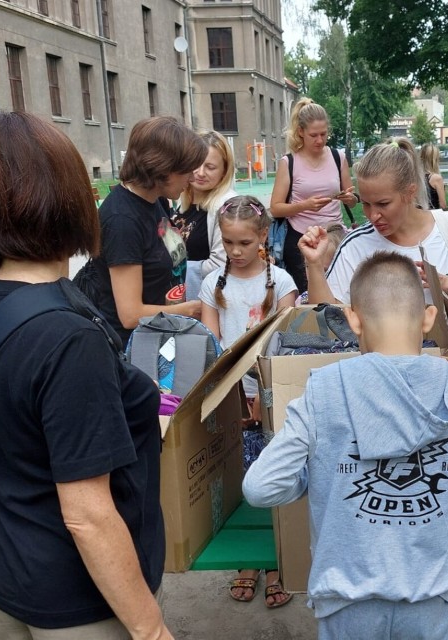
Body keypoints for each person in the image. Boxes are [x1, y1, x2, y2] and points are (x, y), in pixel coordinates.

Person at [0, 111, 172, 638]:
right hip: (77, 599)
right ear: (65, 196)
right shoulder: (68, 339)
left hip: (6, 570)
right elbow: (87, 514)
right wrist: (151, 628)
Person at [242, 251, 448, 639]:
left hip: (345, 598)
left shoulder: (323, 388)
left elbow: (260, 488)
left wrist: (318, 475)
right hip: (432, 597)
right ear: (428, 316)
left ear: (353, 319)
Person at [197, 195, 297, 609]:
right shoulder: (210, 284)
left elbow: (287, 347)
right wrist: (234, 397)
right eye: (227, 243)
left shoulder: (284, 283)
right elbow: (210, 344)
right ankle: (246, 562)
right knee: (239, 482)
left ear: (263, 236)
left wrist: (262, 394)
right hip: (230, 398)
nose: (235, 252)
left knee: (272, 481)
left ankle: (276, 562)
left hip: (272, 397)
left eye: (243, 242)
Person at [300, 137, 448, 314]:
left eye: (383, 204)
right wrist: (315, 265)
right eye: (366, 204)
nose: (373, 215)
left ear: (411, 192)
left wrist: (446, 283)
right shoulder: (355, 244)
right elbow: (325, 318)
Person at [92, 116, 206, 343]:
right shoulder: (122, 221)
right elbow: (130, 315)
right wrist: (187, 310)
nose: (193, 177)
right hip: (133, 348)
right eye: (187, 170)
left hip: (161, 334)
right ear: (163, 168)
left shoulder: (156, 200)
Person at [269, 98, 357, 292]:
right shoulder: (289, 162)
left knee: (339, 292)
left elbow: (353, 200)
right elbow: (275, 207)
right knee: (307, 296)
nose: (319, 140)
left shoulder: (337, 157)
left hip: (334, 236)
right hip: (301, 238)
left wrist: (351, 199)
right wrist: (305, 205)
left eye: (324, 134)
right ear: (301, 132)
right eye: (313, 135)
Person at [171, 130, 238, 300]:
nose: (200, 173)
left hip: (209, 301)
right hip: (181, 298)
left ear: (224, 171)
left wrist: (170, 271)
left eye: (210, 167)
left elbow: (222, 263)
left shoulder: (226, 206)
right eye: (196, 164)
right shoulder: (183, 202)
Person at [294, 223, 346, 305]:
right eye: (308, 266)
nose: (314, 273)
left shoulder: (347, 299)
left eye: (324, 270)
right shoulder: (300, 301)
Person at [419, 143, 448, 209]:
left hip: (418, 215)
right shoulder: (436, 178)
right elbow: (443, 205)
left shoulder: (416, 176)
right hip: (432, 215)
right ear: (435, 159)